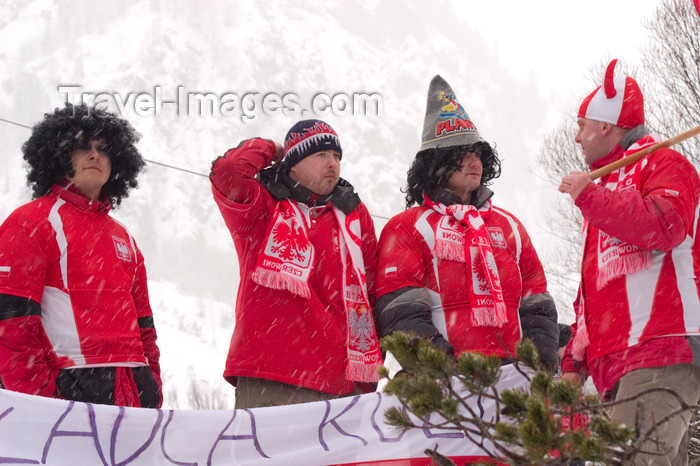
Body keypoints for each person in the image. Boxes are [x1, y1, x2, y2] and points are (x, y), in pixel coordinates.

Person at [558, 59, 700, 464]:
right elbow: (595, 290)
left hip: (659, 347)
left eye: (583, 125)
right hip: (620, 360)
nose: (577, 137)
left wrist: (589, 197)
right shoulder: (607, 188)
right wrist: (574, 359)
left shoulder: (664, 164)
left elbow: (666, 224)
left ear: (607, 127)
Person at [376, 75, 559, 371]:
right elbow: (399, 310)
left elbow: (536, 301)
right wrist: (441, 367)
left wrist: (538, 360)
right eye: (461, 155)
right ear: (435, 164)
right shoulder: (408, 226)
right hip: (443, 384)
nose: (474, 162)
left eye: (477, 154)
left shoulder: (509, 226)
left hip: (514, 380)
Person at [210, 119, 382, 409]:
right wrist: (274, 148)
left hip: (341, 385)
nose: (333, 163)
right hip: (269, 376)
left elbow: (373, 292)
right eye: (320, 155)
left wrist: (366, 379)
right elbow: (227, 171)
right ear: (292, 164)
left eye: (337, 156)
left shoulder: (354, 215)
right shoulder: (261, 206)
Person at [0, 103, 162, 408]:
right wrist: (39, 403)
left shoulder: (124, 237)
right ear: (59, 156)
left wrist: (151, 387)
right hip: (66, 392)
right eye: (81, 146)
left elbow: (145, 329)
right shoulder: (30, 222)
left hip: (134, 393)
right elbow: (11, 325)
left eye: (103, 148)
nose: (94, 155)